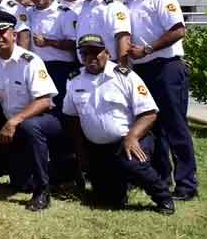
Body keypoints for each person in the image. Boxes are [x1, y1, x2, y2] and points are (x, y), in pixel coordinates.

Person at [64, 34, 175, 214]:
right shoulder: (74, 79)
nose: (90, 57)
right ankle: (119, 188)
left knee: (133, 163)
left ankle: (163, 197)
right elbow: (72, 117)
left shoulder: (125, 76)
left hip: (130, 139)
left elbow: (149, 113)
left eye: (95, 52)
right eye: (84, 53)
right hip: (98, 148)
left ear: (106, 53)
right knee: (107, 200)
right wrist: (80, 149)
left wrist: (132, 137)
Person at [0, 10, 61, 211]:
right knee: (21, 184)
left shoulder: (30, 61)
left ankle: (43, 191)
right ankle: (55, 174)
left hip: (42, 119)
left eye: (3, 32)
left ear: (14, 35)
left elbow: (44, 101)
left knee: (30, 126)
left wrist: (13, 121)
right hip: (15, 123)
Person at [119, 0, 197, 201]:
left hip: (167, 68)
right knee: (154, 128)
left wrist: (148, 49)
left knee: (175, 127)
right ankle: (162, 179)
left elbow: (178, 30)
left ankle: (187, 185)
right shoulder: (126, 4)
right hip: (142, 71)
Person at [25, 0, 78, 112]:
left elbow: (73, 43)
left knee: (62, 108)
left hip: (60, 68)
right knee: (40, 107)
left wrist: (48, 42)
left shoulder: (64, 13)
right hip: (37, 68)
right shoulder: (29, 13)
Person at [75, 0, 132, 66]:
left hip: (108, 65)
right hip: (87, 66)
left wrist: (122, 68)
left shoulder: (114, 6)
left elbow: (123, 37)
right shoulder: (84, 7)